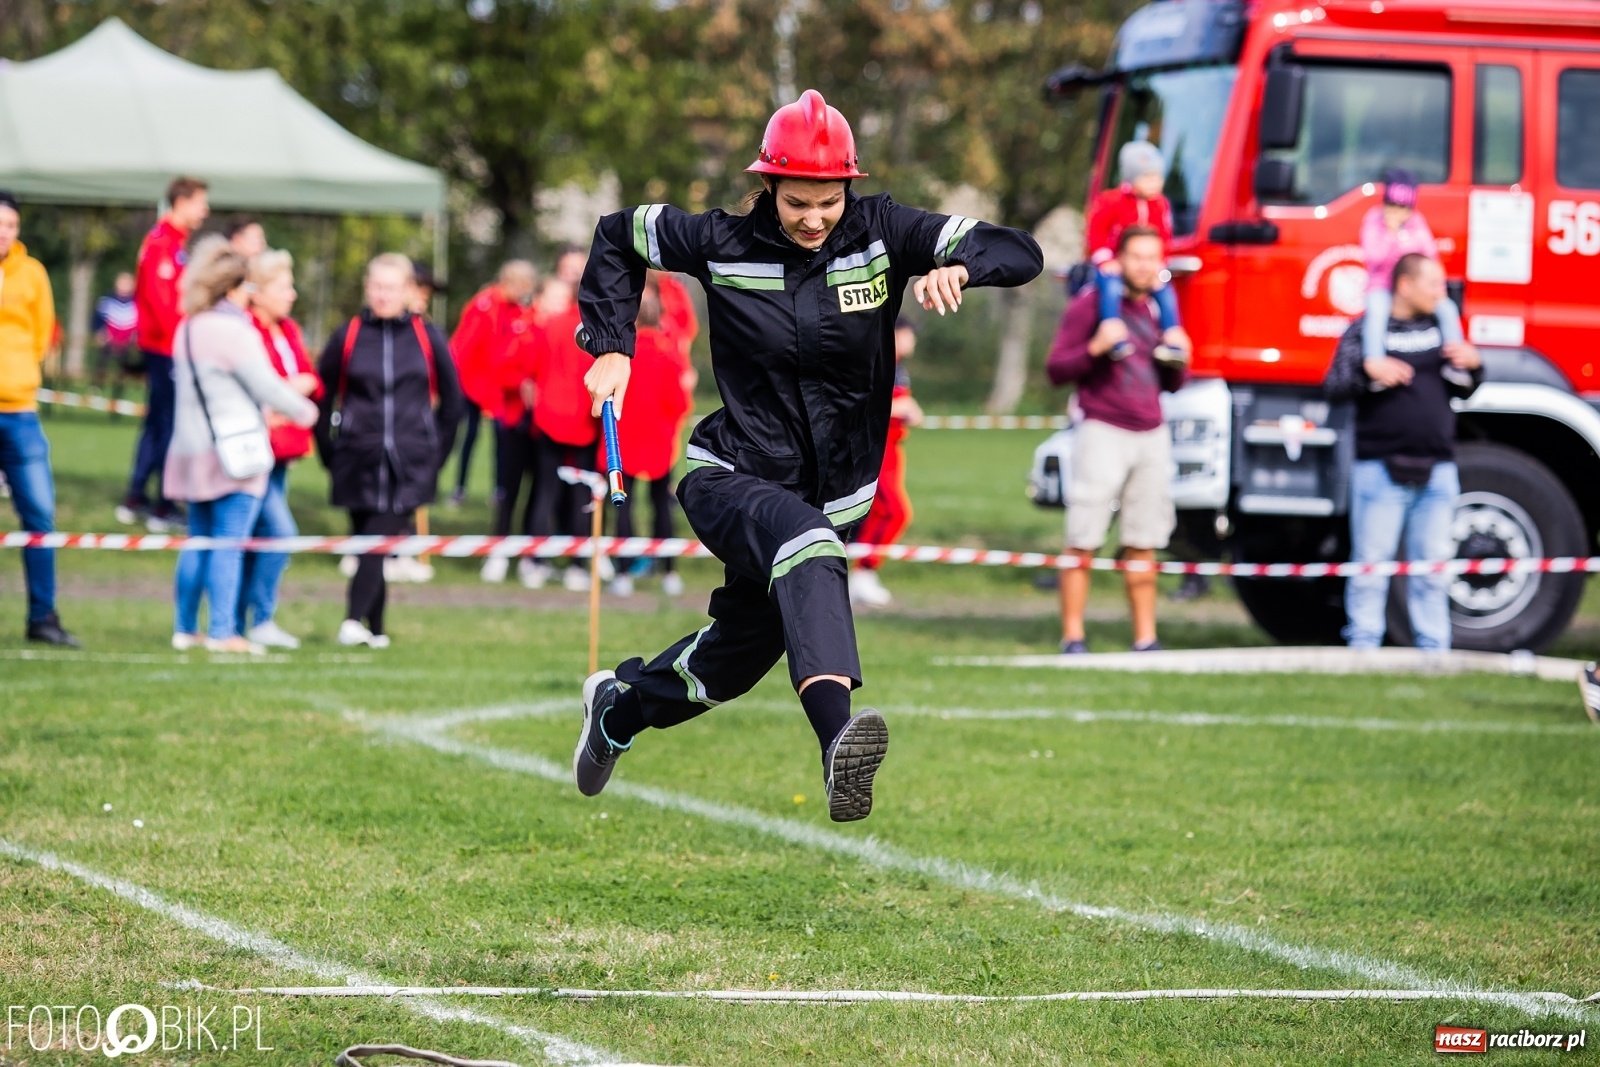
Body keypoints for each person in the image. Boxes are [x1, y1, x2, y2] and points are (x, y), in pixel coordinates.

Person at [572, 89, 1043, 821]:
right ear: (768, 185)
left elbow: (1019, 249)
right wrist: (610, 345)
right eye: (797, 202)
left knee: (729, 664)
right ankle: (837, 746)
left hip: (835, 496)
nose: (814, 218)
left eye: (827, 202)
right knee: (808, 542)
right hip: (729, 472)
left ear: (848, 187)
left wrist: (963, 267)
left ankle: (615, 714)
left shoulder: (885, 233)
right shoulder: (718, 241)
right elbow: (617, 234)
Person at [165, 237, 318, 654]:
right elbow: (266, 384)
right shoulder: (235, 332)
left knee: (199, 540)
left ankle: (185, 628)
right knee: (229, 543)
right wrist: (306, 411)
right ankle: (222, 632)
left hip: (189, 452)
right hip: (234, 455)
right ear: (234, 288)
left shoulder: (188, 327)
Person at [1325, 252, 1481, 651]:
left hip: (1438, 467)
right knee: (1371, 568)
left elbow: (1466, 385)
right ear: (1405, 284)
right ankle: (1363, 649)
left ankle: (1434, 651)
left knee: (1431, 569)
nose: (1440, 293)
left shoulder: (1442, 327)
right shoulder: (1366, 331)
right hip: (1379, 468)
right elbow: (1334, 385)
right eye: (1432, 284)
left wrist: (1476, 366)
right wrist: (1368, 371)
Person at [1046, 225, 1191, 655]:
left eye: (1154, 258)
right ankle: (1073, 636)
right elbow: (1056, 369)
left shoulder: (1161, 311)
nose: (1146, 267)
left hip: (1152, 434)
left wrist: (1181, 354)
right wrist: (1094, 347)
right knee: (1083, 536)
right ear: (1120, 260)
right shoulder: (1091, 305)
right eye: (1138, 257)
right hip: (1102, 430)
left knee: (1144, 540)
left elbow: (1173, 384)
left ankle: (1145, 639)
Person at [315, 254, 462, 649]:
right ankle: (376, 629)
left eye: (392, 288)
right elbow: (322, 395)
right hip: (355, 459)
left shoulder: (426, 336)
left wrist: (435, 456)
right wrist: (329, 450)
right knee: (369, 539)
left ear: (408, 292)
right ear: (367, 288)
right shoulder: (347, 334)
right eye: (377, 286)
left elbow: (453, 403)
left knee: (377, 537)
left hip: (409, 462)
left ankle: (350, 620)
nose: (383, 295)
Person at [0, 190, 80, 648]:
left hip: (20, 413)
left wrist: (18, 377)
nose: (3, 232)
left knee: (39, 516)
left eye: (10, 224)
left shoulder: (32, 275)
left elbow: (39, 335)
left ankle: (42, 616)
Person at [237, 250, 323, 649]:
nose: (292, 294)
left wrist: (286, 393)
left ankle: (247, 621)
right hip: (254, 452)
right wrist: (289, 393)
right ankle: (254, 618)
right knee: (279, 533)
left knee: (262, 538)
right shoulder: (245, 330)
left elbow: (311, 381)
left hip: (284, 451)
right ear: (258, 292)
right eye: (283, 287)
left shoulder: (288, 330)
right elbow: (259, 392)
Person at [120, 176, 210, 532]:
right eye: (200, 202)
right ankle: (162, 502)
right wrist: (185, 344)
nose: (205, 210)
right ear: (182, 202)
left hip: (168, 347)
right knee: (169, 424)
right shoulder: (162, 243)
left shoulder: (176, 243)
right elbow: (161, 304)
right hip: (166, 349)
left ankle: (139, 496)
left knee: (160, 423)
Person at [605, 277, 695, 598]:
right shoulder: (670, 357)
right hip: (660, 441)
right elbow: (682, 403)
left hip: (624, 441)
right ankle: (668, 571)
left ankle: (624, 573)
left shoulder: (619, 358)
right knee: (661, 506)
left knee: (622, 507)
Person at [449, 260, 537, 573]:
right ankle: (458, 487)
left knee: (498, 445)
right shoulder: (485, 305)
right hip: (471, 386)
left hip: (494, 389)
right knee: (468, 437)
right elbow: (466, 347)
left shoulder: (515, 310)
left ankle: (495, 489)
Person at [525, 283, 603, 593]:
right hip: (582, 419)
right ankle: (576, 567)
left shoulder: (551, 325)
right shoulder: (597, 331)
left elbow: (532, 368)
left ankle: (536, 562)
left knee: (545, 491)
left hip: (549, 417)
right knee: (582, 496)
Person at [1085, 141, 1187, 361]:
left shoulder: (1160, 205)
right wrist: (1104, 259)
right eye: (1147, 178)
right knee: (1111, 288)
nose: (1154, 184)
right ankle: (1113, 335)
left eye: (1158, 178)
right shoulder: (1112, 201)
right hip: (1114, 262)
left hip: (1148, 266)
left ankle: (1173, 340)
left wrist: (1160, 263)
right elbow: (1097, 231)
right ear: (1131, 178)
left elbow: (1165, 237)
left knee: (1166, 292)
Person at [848, 317, 922, 608]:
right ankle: (862, 571)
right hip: (873, 448)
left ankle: (860, 573)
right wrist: (899, 407)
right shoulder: (874, 360)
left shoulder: (898, 365)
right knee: (894, 511)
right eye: (908, 334)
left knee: (881, 512)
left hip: (891, 448)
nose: (912, 340)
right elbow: (859, 401)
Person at [1360, 169, 1464, 369]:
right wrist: (1392, 235)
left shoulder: (1417, 223)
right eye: (1392, 205)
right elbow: (1374, 258)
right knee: (1376, 312)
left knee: (1448, 309)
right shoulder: (1373, 221)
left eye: (1403, 207)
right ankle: (1375, 363)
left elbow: (1430, 256)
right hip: (1382, 286)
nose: (1397, 212)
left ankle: (1457, 364)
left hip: (1414, 288)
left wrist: (1437, 287)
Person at [90, 271, 139, 400]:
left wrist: (137, 336)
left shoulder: (137, 302)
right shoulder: (107, 301)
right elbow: (97, 320)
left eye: (127, 282)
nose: (124, 285)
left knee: (125, 365)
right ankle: (97, 386)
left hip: (127, 343)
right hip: (109, 340)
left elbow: (140, 323)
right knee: (102, 360)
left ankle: (119, 391)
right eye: (122, 282)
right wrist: (100, 332)